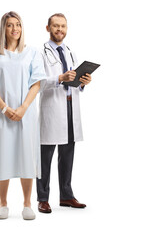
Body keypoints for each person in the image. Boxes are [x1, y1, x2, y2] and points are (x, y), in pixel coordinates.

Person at [0, 11, 46, 220]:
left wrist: (24, 107)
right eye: (10, 25)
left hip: (26, 113)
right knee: (3, 155)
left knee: (27, 155)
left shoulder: (32, 53)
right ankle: (4, 204)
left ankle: (27, 204)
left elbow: (36, 83)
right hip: (3, 113)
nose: (15, 28)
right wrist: (5, 108)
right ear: (3, 28)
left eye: (18, 24)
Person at [37, 13, 92, 213]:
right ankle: (42, 198)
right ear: (48, 28)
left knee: (68, 154)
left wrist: (83, 82)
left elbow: (75, 82)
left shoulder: (70, 52)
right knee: (45, 157)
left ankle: (66, 196)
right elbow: (36, 83)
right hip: (52, 110)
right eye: (56, 26)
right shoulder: (40, 53)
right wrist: (59, 78)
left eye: (63, 26)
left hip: (70, 107)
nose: (60, 30)